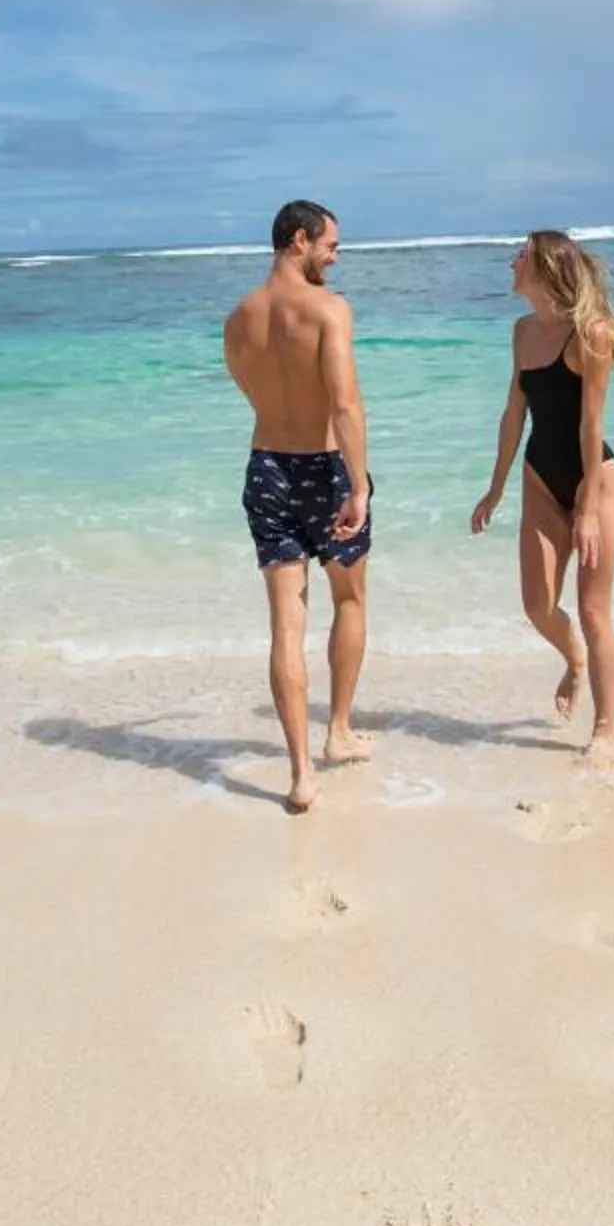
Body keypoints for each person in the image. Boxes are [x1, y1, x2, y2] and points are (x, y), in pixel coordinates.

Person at [470, 229, 614, 760]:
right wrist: (496, 486)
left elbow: (592, 426)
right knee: (538, 605)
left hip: (594, 479)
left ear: (545, 268)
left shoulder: (590, 334)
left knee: (594, 611)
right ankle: (574, 662)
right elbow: (514, 413)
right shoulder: (523, 331)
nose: (511, 263)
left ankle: (606, 730)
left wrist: (589, 507)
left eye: (520, 256)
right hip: (539, 478)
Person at [223, 199, 374, 812]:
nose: (335, 258)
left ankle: (300, 775)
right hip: (325, 467)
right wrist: (357, 486)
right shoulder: (327, 310)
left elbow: (252, 392)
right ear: (300, 241)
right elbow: (344, 403)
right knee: (349, 598)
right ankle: (337, 731)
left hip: (266, 467)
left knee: (286, 623)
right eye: (330, 246)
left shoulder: (239, 319)